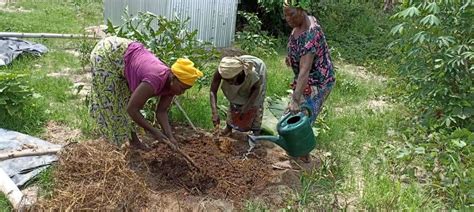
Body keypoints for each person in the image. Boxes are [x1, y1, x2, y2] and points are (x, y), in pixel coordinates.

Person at [89, 36, 203, 149]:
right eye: (182, 88)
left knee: (126, 99)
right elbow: (132, 110)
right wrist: (155, 132)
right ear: (173, 77)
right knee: (110, 103)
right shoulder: (155, 79)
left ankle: (133, 141)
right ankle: (111, 147)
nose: (182, 92)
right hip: (108, 54)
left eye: (185, 90)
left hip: (125, 57)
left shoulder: (172, 85)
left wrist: (169, 136)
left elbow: (161, 112)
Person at [283, 3, 335, 161]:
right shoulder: (301, 23)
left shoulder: (311, 34)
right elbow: (295, 39)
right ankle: (297, 152)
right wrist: (290, 55)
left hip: (319, 81)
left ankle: (304, 157)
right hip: (306, 79)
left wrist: (295, 99)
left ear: (301, 10)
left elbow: (305, 71)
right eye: (285, 15)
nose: (287, 19)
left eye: (291, 14)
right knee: (291, 117)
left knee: (302, 118)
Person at [210, 55, 267, 136]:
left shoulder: (252, 73)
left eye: (231, 80)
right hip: (240, 74)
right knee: (234, 100)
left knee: (256, 104)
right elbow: (212, 91)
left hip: (257, 72)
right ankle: (229, 127)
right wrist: (214, 113)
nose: (229, 82)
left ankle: (255, 132)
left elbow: (257, 89)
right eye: (226, 80)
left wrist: (247, 106)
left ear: (239, 74)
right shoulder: (222, 71)